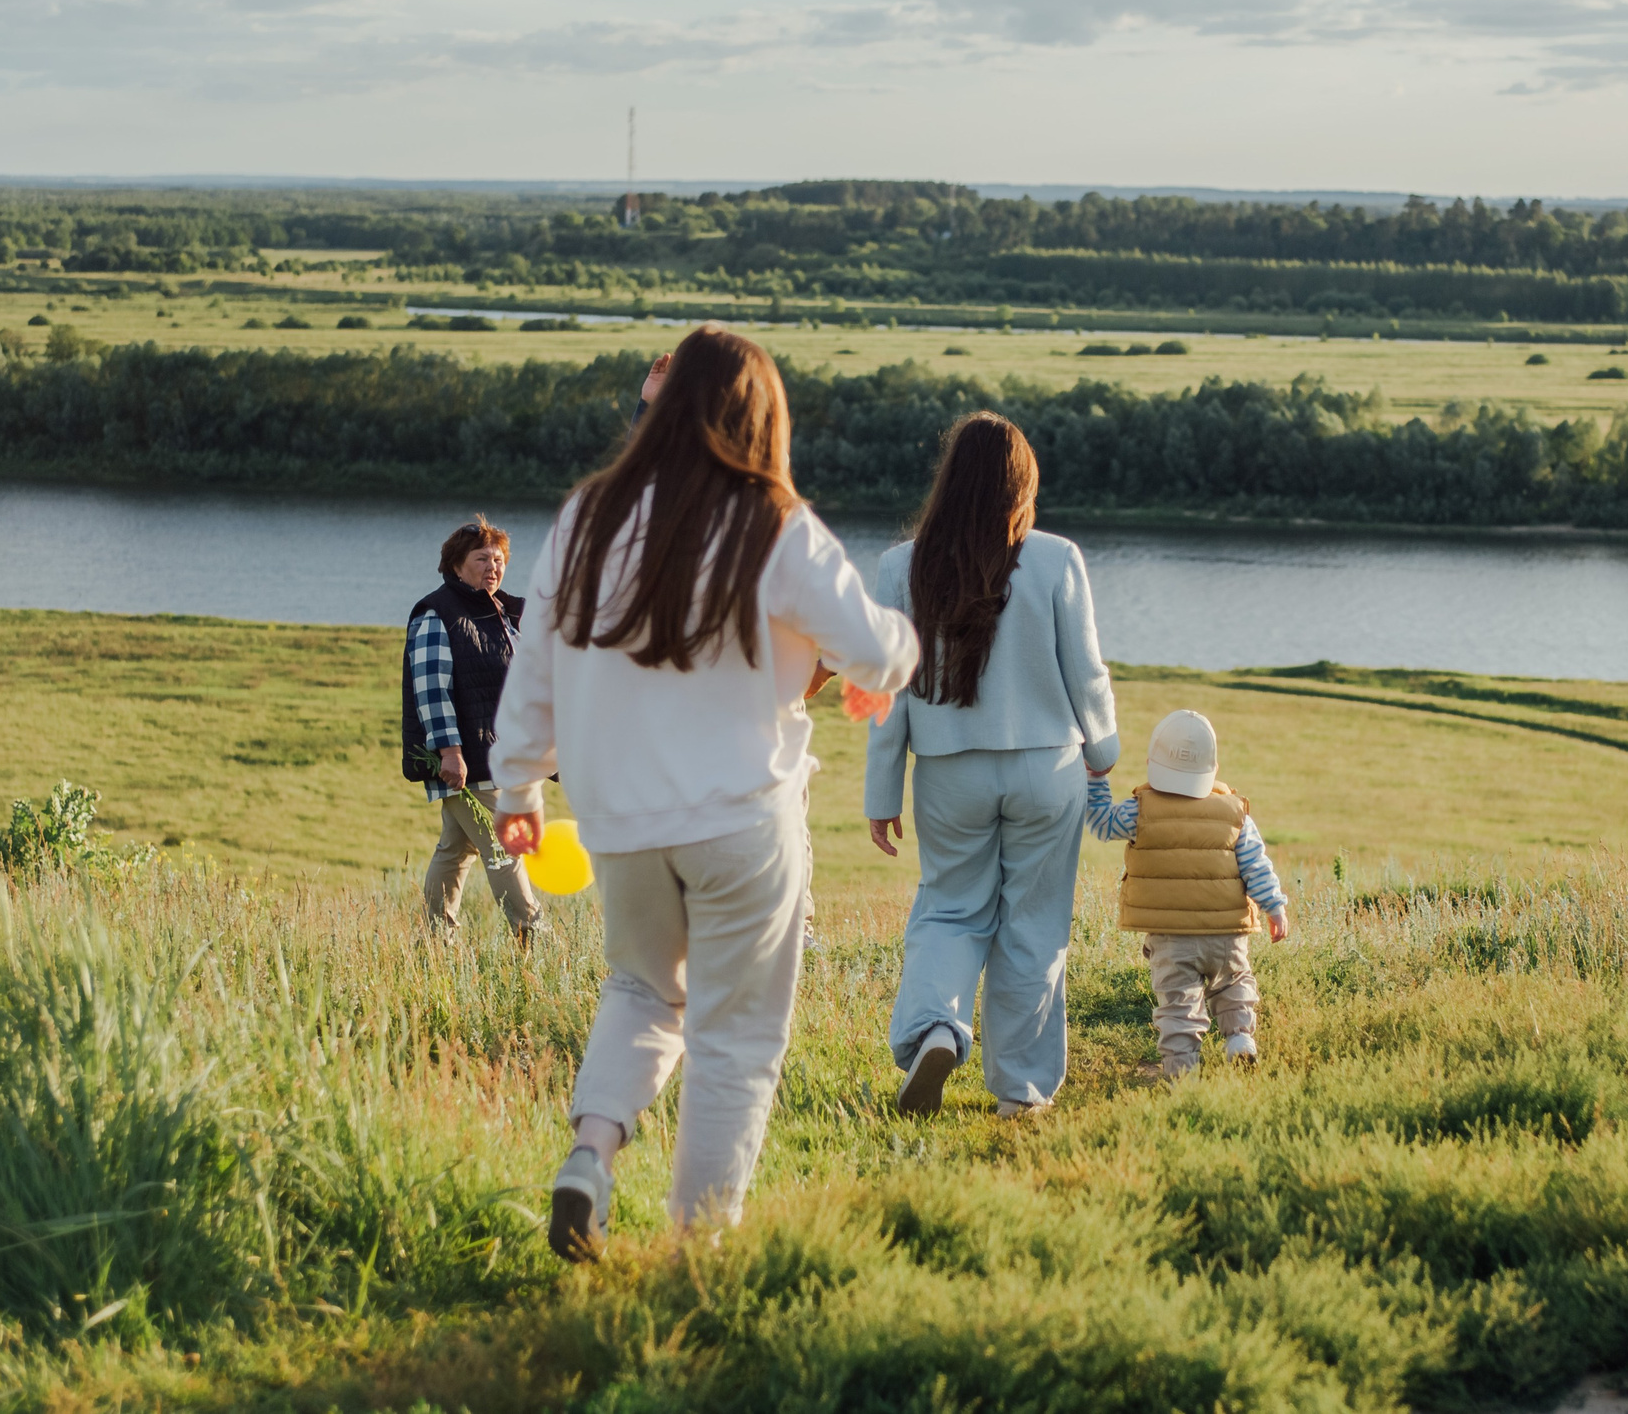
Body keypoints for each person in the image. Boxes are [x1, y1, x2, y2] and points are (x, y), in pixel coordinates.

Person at [486, 325, 917, 1262]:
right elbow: (882, 644)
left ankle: (590, 1155)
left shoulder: (586, 515)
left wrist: (515, 783)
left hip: (623, 825)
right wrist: (873, 665)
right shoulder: (775, 524)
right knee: (735, 1035)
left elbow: (536, 670)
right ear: (764, 420)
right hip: (742, 824)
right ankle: (698, 1252)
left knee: (641, 989)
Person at [865, 412, 1118, 1121]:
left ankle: (936, 1030)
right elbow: (1087, 672)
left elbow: (888, 691)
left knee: (949, 910)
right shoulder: (1059, 559)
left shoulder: (899, 566)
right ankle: (1022, 1091)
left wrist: (883, 790)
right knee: (1034, 924)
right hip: (1048, 768)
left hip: (949, 770)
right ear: (1023, 483)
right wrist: (1104, 753)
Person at [1085, 709, 1290, 1079]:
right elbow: (1256, 866)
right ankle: (1240, 1039)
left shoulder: (1139, 812)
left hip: (1171, 937)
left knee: (1179, 1003)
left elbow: (1100, 823)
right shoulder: (1235, 814)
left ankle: (1182, 1070)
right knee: (1234, 982)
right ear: (1213, 767)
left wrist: (1096, 777)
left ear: (1152, 762)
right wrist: (1274, 907)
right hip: (1226, 935)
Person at [401, 517, 544, 942]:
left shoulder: (504, 613)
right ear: (457, 565)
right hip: (473, 759)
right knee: (505, 847)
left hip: (507, 756)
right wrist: (449, 750)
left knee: (454, 849)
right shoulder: (437, 613)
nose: (493, 567)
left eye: (498, 559)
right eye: (481, 558)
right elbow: (431, 689)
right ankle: (532, 937)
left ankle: (436, 941)